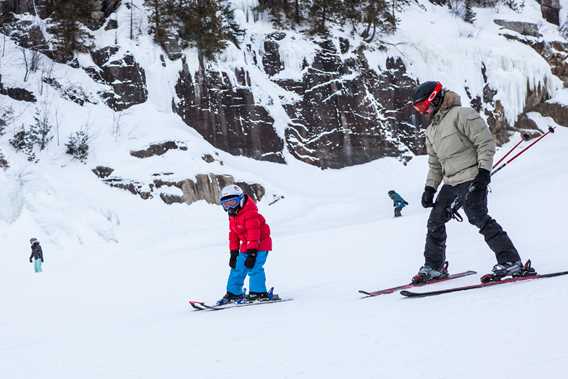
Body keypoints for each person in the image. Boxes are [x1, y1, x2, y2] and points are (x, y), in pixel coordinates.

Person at [411, 81, 534, 284]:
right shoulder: (431, 130)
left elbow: (485, 143)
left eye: (423, 106)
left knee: (477, 215)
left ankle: (510, 261)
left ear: (435, 98)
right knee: (435, 222)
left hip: (471, 176)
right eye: (419, 108)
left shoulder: (462, 114)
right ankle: (434, 267)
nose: (423, 111)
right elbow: (435, 164)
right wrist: (430, 188)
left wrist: (483, 173)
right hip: (451, 182)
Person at [217, 184, 273, 305]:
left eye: (233, 202)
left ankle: (258, 293)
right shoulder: (233, 216)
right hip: (246, 245)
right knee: (237, 267)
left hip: (260, 244)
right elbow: (233, 235)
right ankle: (234, 293)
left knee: (254, 267)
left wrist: (252, 254)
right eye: (226, 204)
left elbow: (254, 233)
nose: (230, 207)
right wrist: (233, 253)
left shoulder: (250, 213)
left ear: (241, 200)